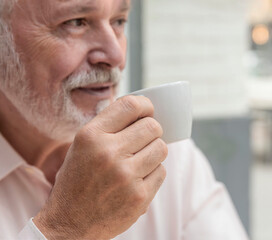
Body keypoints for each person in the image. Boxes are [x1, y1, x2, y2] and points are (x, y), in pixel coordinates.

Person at [0, 0, 249, 239]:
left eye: (119, 21)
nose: (116, 55)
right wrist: (66, 230)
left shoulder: (166, 154)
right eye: (75, 22)